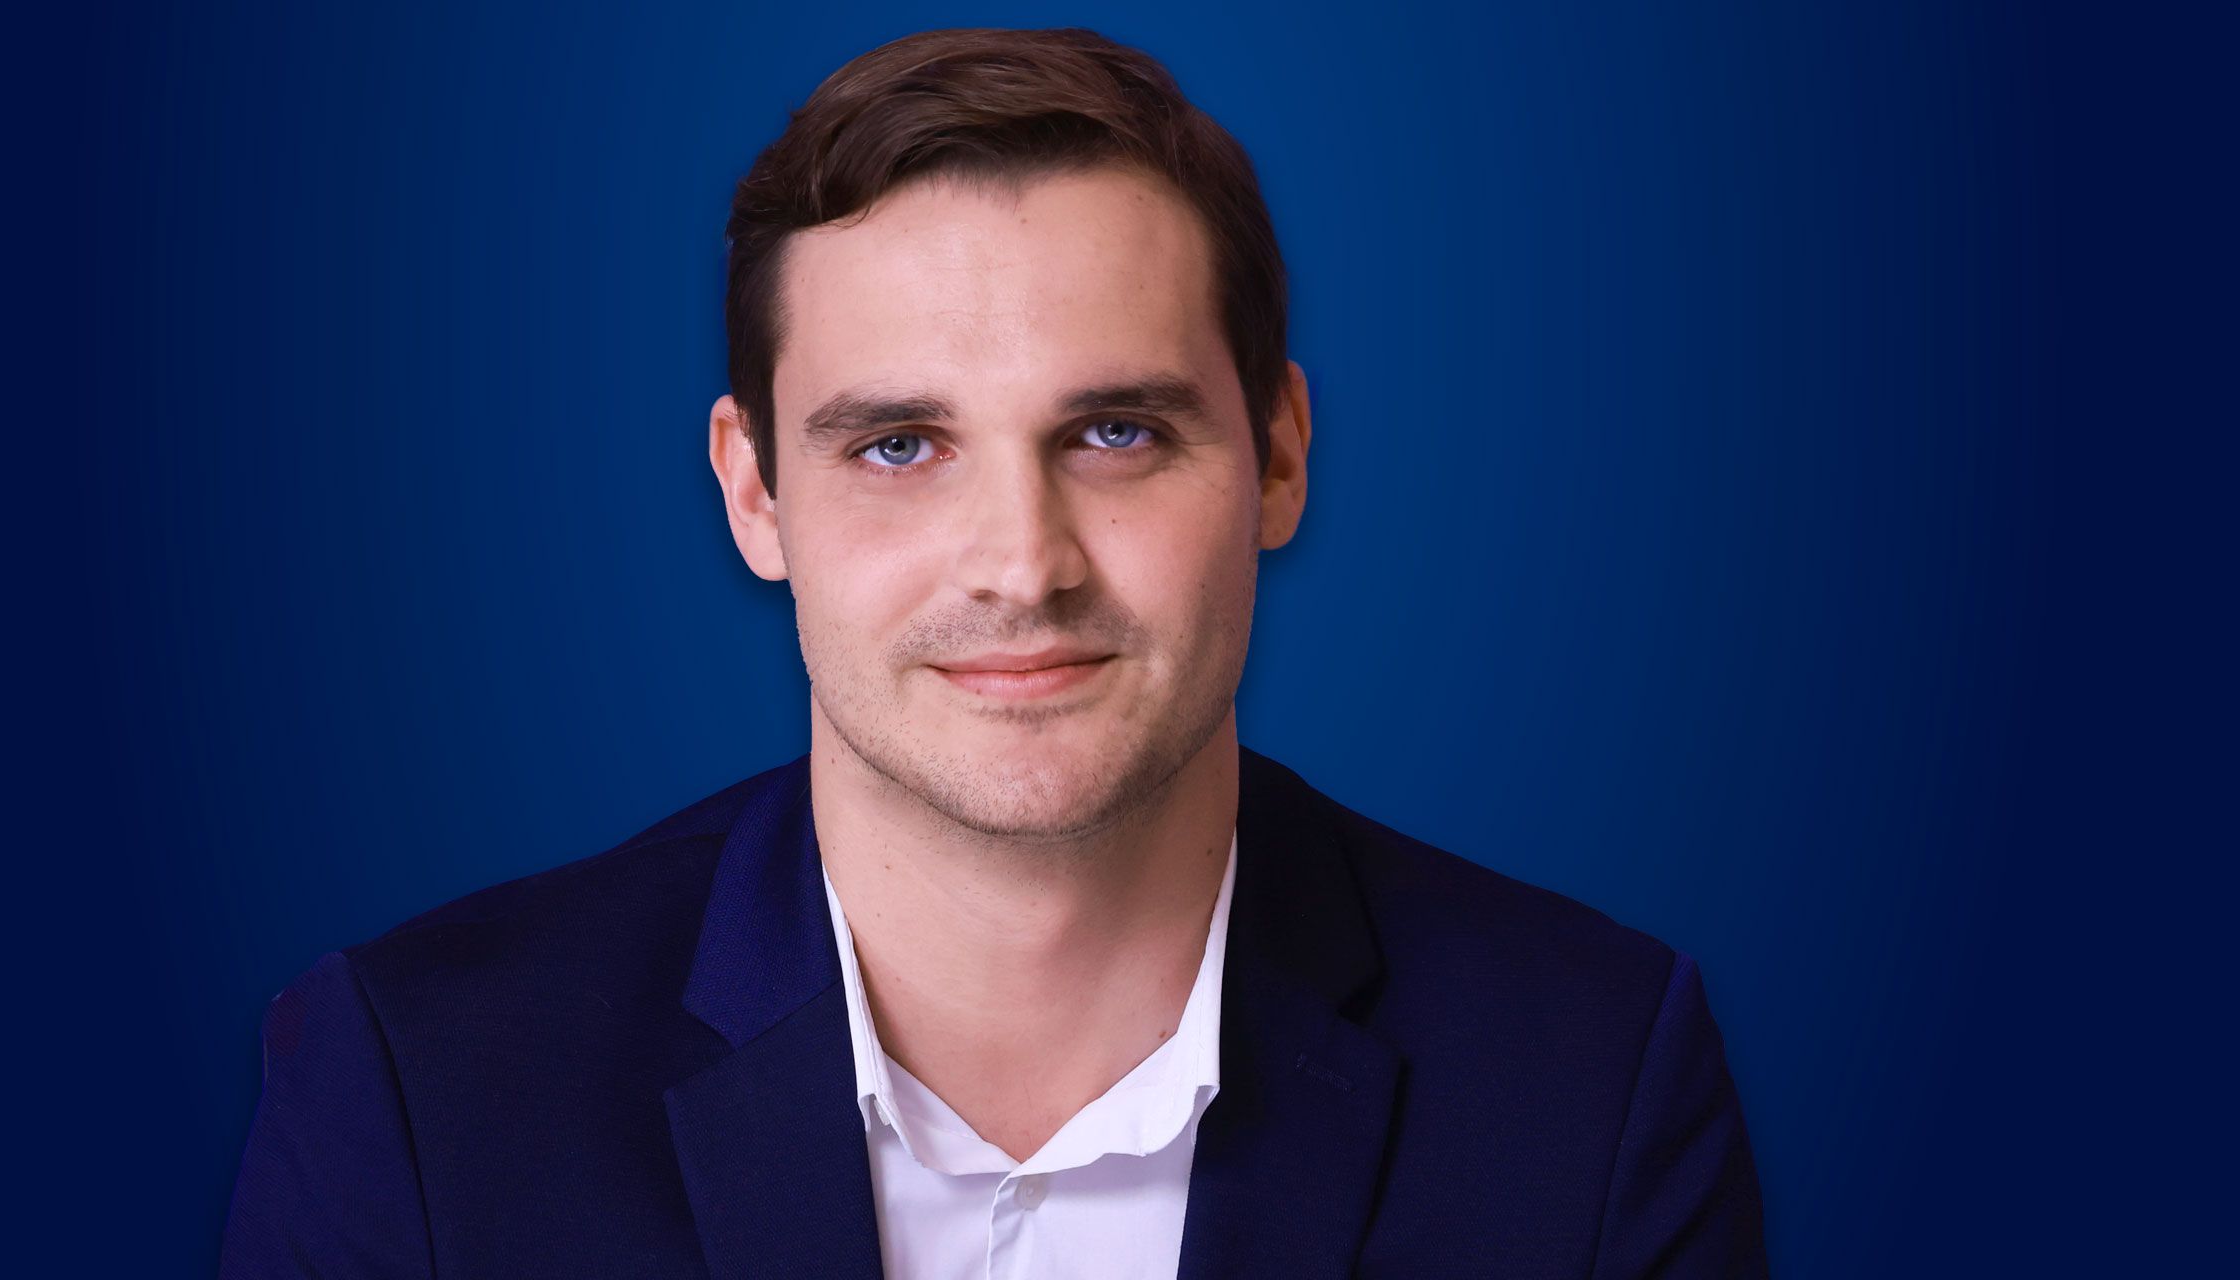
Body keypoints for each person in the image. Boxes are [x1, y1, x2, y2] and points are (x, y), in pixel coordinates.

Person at [220, 25, 1768, 1279]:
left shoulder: (1590, 1086)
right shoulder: (422, 1093)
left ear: (1281, 457)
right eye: (899, 446)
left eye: (1117, 432)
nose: (1024, 567)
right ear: (755, 495)